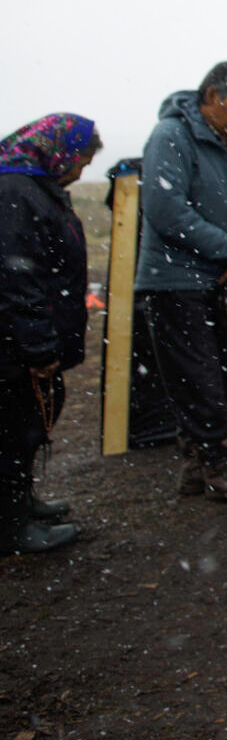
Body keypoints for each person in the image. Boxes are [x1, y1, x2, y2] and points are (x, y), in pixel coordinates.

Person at [135, 64, 227, 506]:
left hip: (224, 279)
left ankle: (196, 465)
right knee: (198, 377)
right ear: (211, 95)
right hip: (175, 281)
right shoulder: (170, 137)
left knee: (219, 373)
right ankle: (220, 468)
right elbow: (164, 208)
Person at [0, 115, 101, 553]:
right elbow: (17, 278)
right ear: (60, 150)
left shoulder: (34, 188)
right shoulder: (16, 193)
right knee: (11, 431)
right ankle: (10, 527)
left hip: (22, 341)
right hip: (13, 346)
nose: (81, 171)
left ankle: (21, 504)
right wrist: (38, 347)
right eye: (80, 160)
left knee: (27, 426)